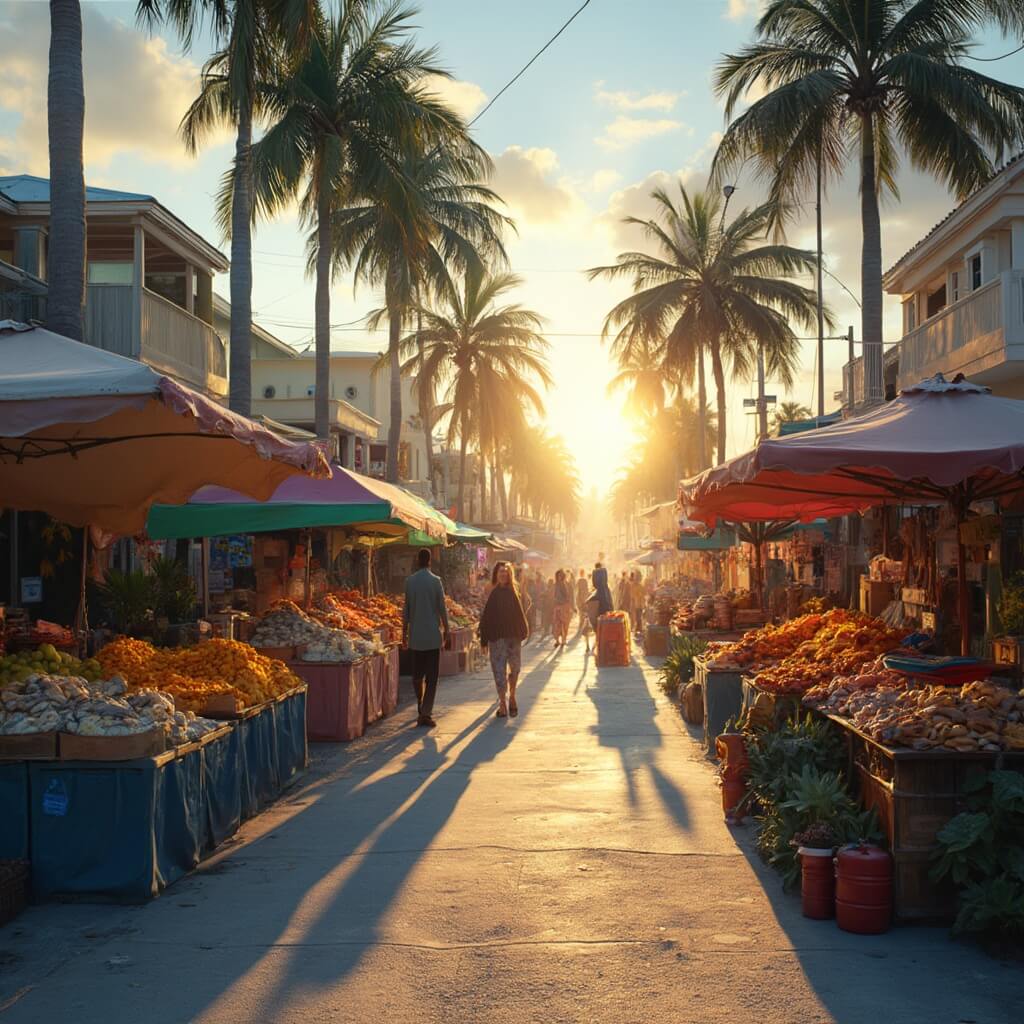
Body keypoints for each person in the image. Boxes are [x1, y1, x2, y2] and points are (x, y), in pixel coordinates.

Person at [402, 548, 451, 728]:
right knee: (432, 677)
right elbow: (442, 609)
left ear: (417, 560)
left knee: (417, 675)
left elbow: (405, 611)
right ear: (430, 561)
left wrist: (403, 634)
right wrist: (447, 629)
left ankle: (420, 705)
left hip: (416, 637)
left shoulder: (409, 582)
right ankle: (426, 712)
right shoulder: (436, 581)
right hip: (432, 637)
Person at [478, 562, 530, 718]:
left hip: (513, 638)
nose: (503, 574)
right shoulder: (494, 594)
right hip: (497, 639)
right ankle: (502, 704)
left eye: (506, 572)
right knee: (499, 672)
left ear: (509, 575)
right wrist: (483, 640)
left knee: (515, 669)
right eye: (501, 572)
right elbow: (486, 617)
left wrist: (524, 631)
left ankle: (512, 697)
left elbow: (520, 613)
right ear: (496, 574)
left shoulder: (514, 592)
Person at [586, 561, 614, 653]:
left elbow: (594, 598)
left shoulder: (599, 591)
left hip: (602, 613)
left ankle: (602, 647)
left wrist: (587, 601)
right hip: (607, 612)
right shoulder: (606, 589)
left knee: (600, 630)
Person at [552, 568, 574, 646]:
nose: (559, 577)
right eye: (558, 575)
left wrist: (572, 606)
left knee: (565, 624)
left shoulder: (566, 584)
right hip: (557, 606)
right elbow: (553, 595)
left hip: (565, 606)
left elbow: (570, 596)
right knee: (557, 624)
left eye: (561, 575)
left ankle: (564, 639)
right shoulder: (555, 585)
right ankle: (557, 640)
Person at [630, 570, 646, 636]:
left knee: (638, 617)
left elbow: (643, 594)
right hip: (636, 604)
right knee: (637, 617)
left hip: (639, 604)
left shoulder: (640, 586)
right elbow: (632, 595)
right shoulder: (633, 586)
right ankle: (637, 629)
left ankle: (638, 629)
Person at [575, 568, 590, 637]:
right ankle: (582, 628)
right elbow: (585, 590)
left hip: (579, 599)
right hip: (583, 599)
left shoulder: (578, 580)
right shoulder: (584, 580)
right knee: (583, 615)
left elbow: (578, 590)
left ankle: (581, 627)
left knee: (581, 614)